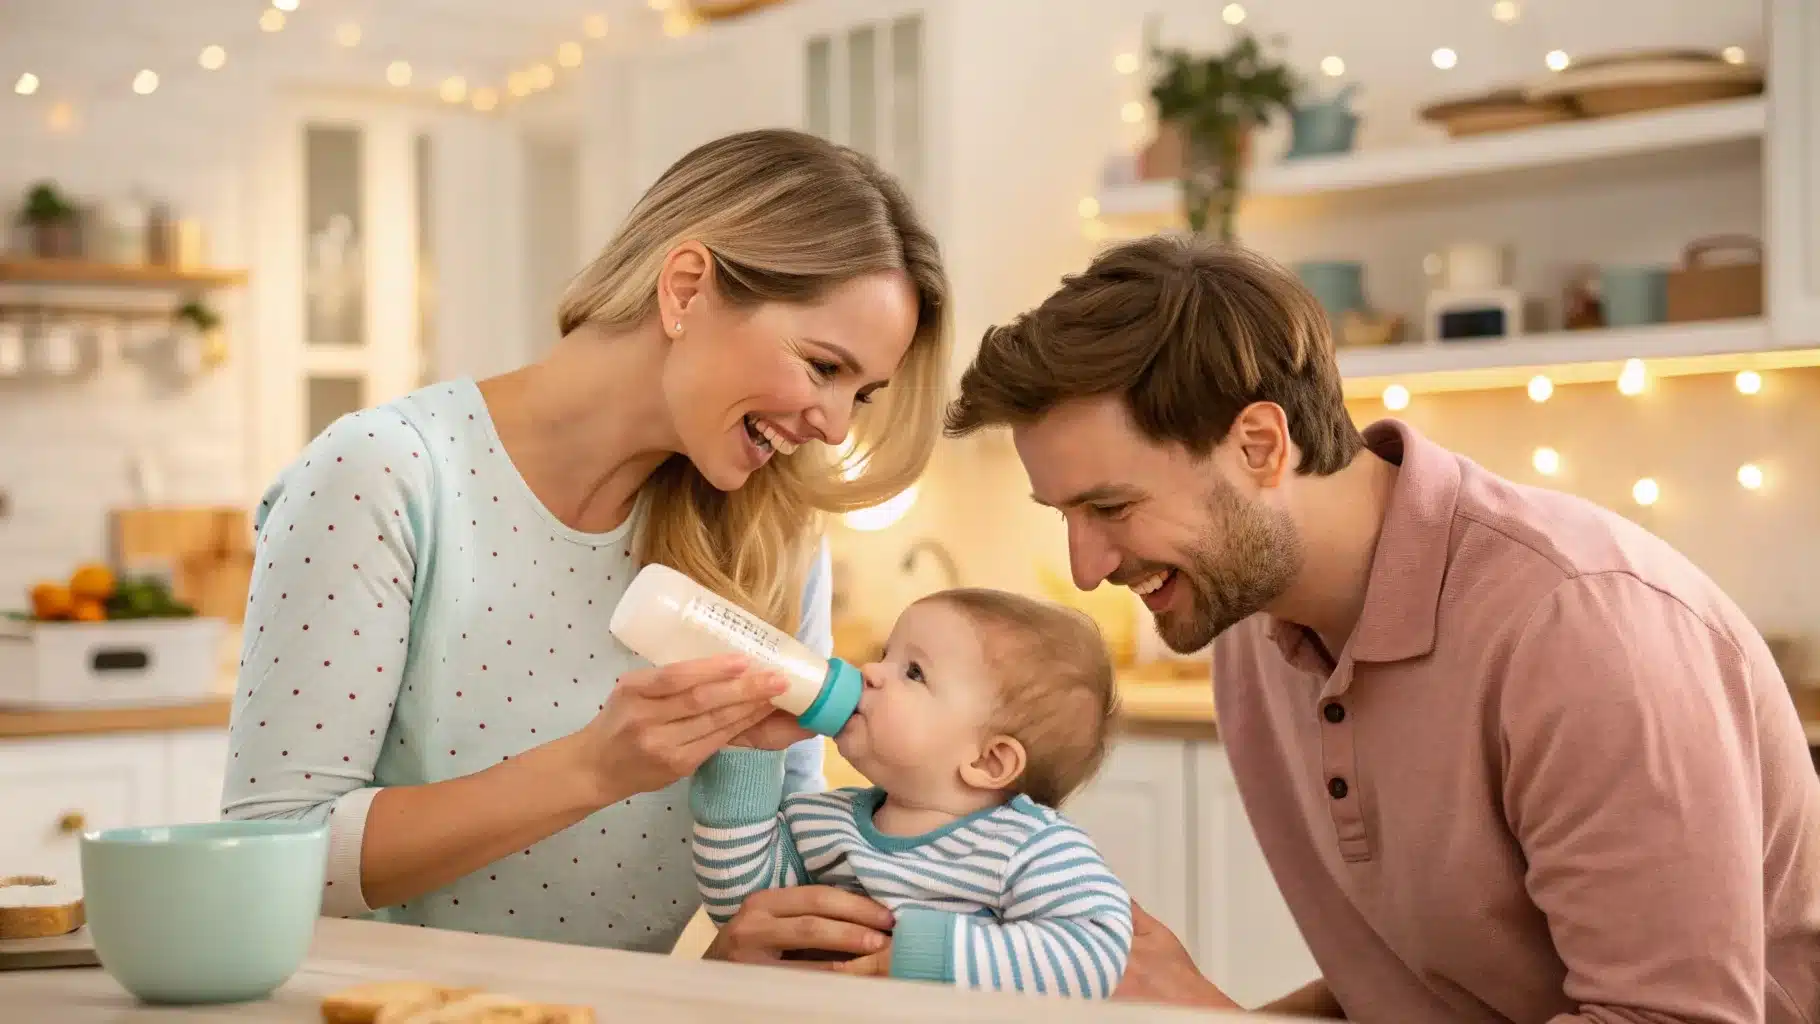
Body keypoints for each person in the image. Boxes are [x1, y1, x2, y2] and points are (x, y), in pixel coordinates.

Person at [943, 234, 1820, 1022]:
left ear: (1259, 445)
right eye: (1066, 514)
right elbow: (1431, 990)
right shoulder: (1251, 627)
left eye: (1111, 506)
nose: (1088, 565)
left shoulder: (1578, 625)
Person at [221, 128, 951, 966]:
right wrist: (592, 770)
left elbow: (771, 853)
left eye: (863, 393)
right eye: (824, 366)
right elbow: (272, 859)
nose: (835, 425)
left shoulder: (771, 534)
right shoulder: (389, 475)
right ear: (686, 289)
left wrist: (751, 954)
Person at [690, 588, 1130, 996]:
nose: (871, 671)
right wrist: (745, 752)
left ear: (988, 762)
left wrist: (927, 953)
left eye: (913, 673)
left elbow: (1095, 950)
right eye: (885, 654)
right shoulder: (822, 822)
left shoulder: (1028, 849)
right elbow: (743, 906)